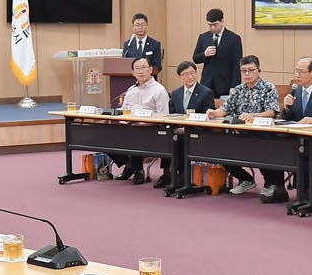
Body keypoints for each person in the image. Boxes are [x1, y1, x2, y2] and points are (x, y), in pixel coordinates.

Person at [209, 55, 281, 197]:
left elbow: (272, 112)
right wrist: (214, 113)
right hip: (240, 133)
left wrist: (252, 116)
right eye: (244, 71)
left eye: (251, 70)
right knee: (221, 150)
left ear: (259, 70)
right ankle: (246, 179)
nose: (247, 74)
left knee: (262, 151)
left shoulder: (268, 88)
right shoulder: (238, 90)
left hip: (263, 134)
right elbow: (224, 109)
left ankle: (270, 183)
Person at [155, 61, 216, 190]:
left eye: (192, 73)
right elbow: (172, 115)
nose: (190, 77)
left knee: (180, 140)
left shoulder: (206, 92)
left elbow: (208, 118)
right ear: (180, 77)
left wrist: (186, 129)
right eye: (186, 74)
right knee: (167, 138)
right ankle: (167, 174)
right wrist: (175, 129)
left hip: (197, 133)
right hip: (178, 131)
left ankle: (182, 177)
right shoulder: (176, 93)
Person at [111, 55, 169, 183]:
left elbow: (163, 117)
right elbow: (122, 112)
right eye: (137, 69)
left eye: (144, 68)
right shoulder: (131, 90)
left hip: (152, 130)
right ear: (133, 72)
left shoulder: (159, 90)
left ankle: (138, 170)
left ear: (151, 69)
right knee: (106, 137)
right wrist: (123, 120)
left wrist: (143, 123)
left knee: (135, 134)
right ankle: (129, 165)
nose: (141, 71)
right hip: (131, 127)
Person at [192, 8, 242, 97]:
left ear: (222, 21)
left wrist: (234, 86)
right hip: (207, 83)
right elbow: (195, 58)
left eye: (215, 25)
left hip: (225, 84)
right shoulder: (203, 37)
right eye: (210, 25)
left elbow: (237, 64)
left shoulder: (234, 39)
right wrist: (205, 54)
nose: (213, 28)